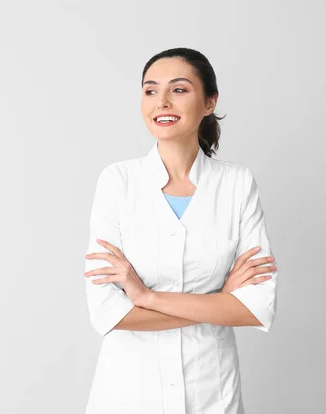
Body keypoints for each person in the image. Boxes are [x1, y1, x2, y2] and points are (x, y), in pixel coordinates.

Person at [82, 47, 278, 414]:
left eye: (180, 89)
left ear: (209, 101)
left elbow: (257, 308)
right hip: (129, 395)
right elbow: (109, 313)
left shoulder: (236, 184)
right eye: (151, 90)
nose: (162, 102)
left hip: (210, 394)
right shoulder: (118, 182)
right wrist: (220, 300)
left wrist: (148, 297)